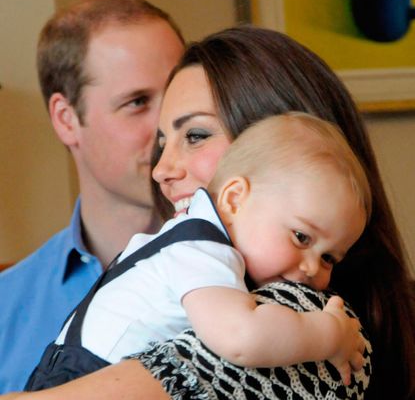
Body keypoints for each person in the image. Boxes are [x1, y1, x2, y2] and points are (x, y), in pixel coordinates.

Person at [2, 25, 414, 400]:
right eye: (165, 142)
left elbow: (236, 339)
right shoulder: (205, 264)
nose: (162, 170)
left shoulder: (297, 324)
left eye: (196, 135)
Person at [25, 113, 371, 391]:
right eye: (301, 237)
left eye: (329, 257)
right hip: (84, 375)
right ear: (235, 198)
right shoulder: (201, 248)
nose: (312, 268)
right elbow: (240, 337)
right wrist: (328, 335)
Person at [0, 0, 184, 393]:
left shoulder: (258, 270)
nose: (168, 126)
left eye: (176, 96)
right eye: (137, 102)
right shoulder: (5, 308)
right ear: (66, 120)